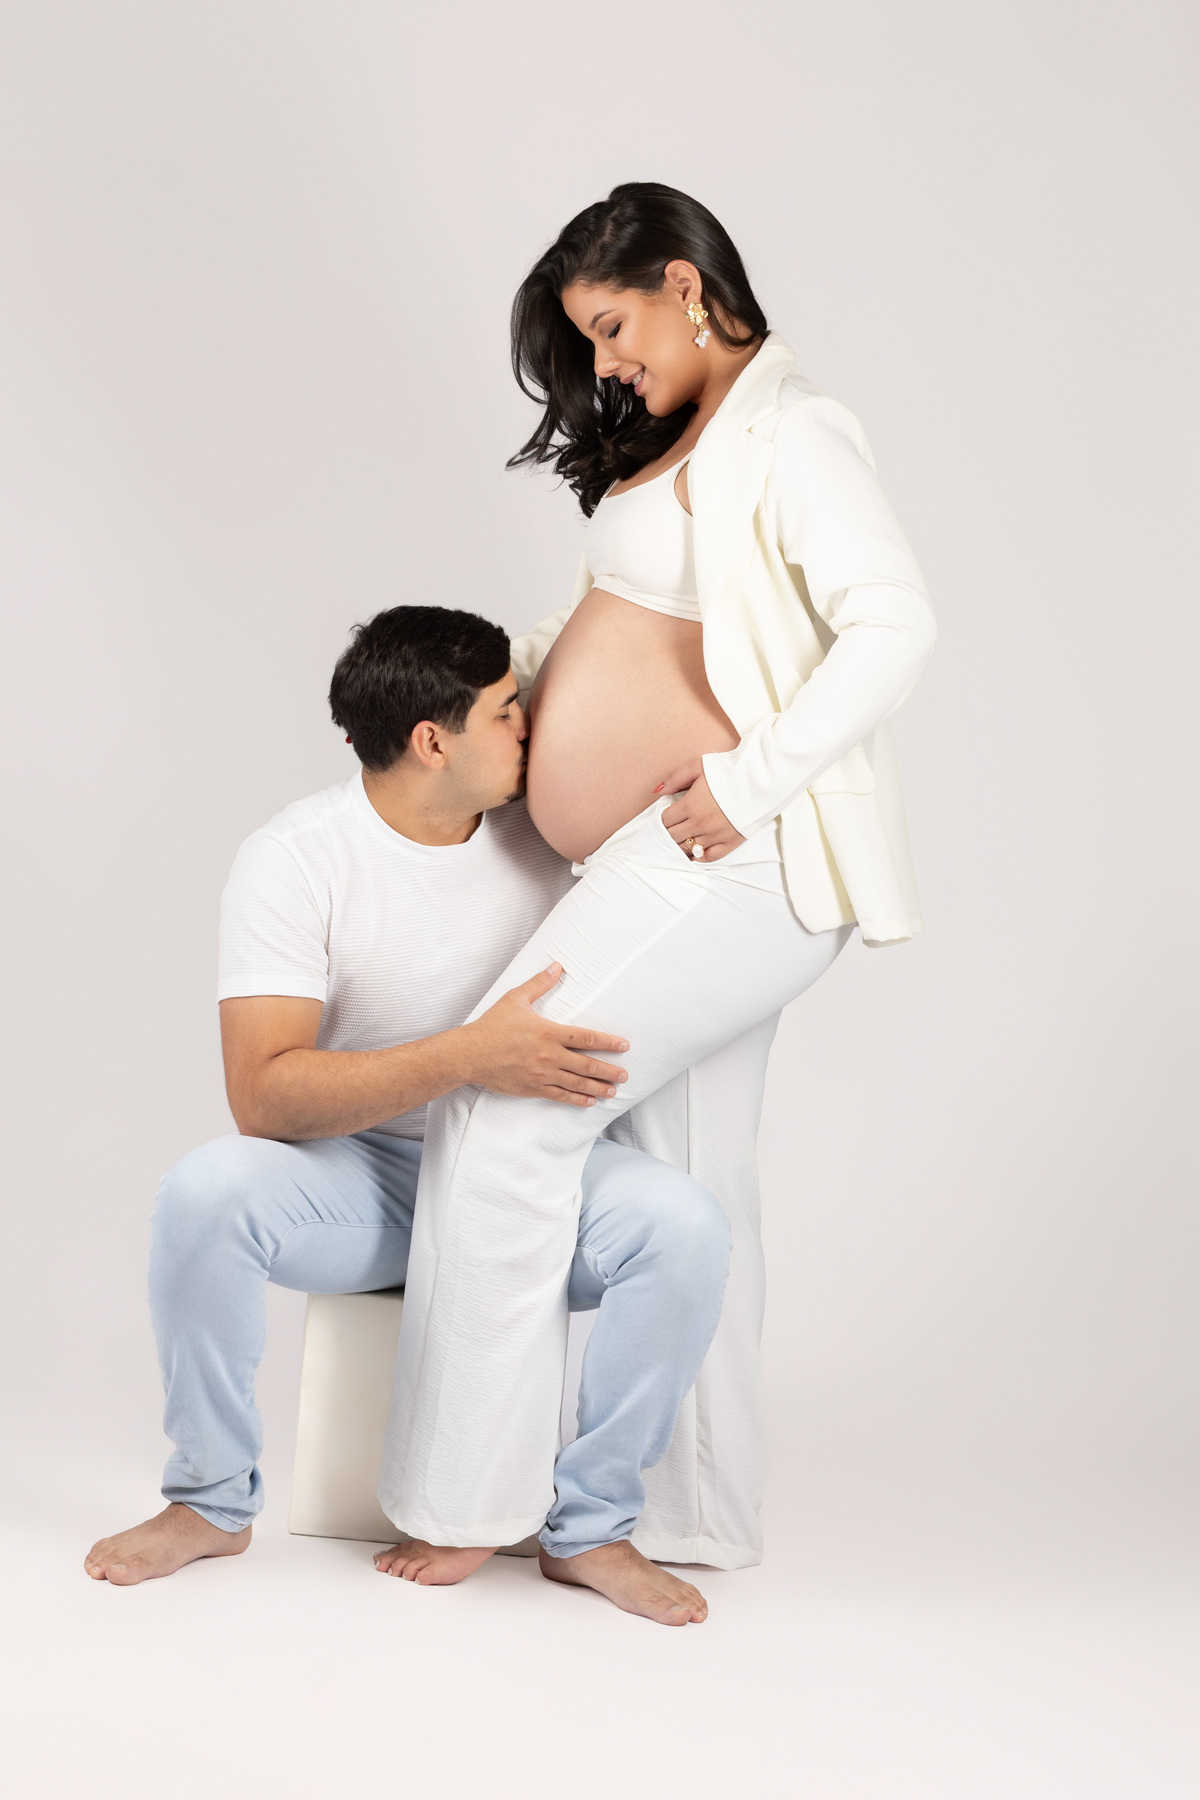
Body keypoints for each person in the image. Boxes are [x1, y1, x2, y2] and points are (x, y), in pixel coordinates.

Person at [378, 183, 937, 1577]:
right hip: (668, 858)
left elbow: (894, 624)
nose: (606, 363)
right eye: (588, 341)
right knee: (695, 1194)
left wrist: (747, 785)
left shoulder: (794, 430)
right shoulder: (694, 433)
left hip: (732, 859)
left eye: (614, 327)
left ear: (687, 285)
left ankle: (466, 1506)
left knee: (501, 1105)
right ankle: (683, 1514)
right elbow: (619, 619)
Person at [84, 604, 739, 1626]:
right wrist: (469, 1056)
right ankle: (207, 1501)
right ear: (433, 742)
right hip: (369, 1186)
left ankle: (591, 1527)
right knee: (205, 1193)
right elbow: (262, 1095)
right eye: (507, 711)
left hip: (531, 1172)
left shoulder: (550, 822)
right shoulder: (296, 858)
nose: (532, 725)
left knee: (685, 1226)